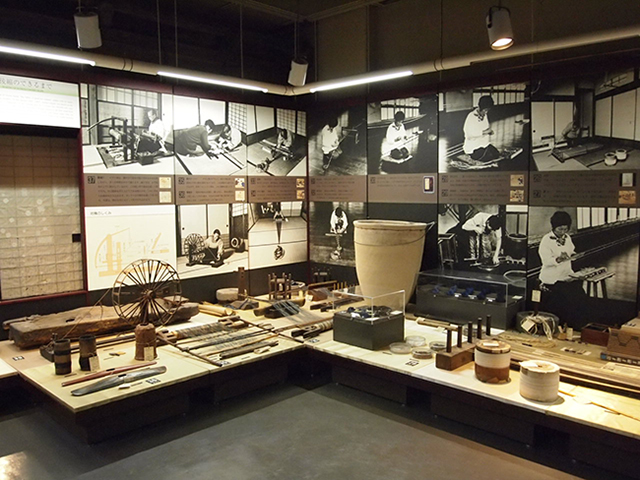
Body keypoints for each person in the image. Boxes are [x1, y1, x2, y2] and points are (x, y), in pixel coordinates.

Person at [463, 95, 501, 162]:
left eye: (487, 110)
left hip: (484, 144)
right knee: (487, 157)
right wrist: (484, 132)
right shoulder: (471, 116)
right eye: (485, 110)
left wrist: (489, 131)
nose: (486, 112)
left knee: (496, 154)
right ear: (480, 107)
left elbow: (486, 127)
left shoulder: (484, 115)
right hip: (473, 147)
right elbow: (469, 134)